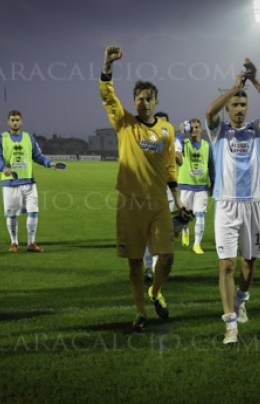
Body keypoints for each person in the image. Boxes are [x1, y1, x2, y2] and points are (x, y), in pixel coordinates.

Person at [100, 46, 185, 331]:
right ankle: (140, 312)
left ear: (156, 100)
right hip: (130, 204)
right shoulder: (124, 123)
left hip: (159, 203)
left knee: (168, 257)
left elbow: (170, 167)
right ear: (134, 102)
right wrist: (108, 65)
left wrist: (178, 199)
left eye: (148, 99)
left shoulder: (167, 130)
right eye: (139, 98)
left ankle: (155, 292)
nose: (144, 103)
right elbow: (107, 96)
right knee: (135, 264)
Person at [205, 58, 260, 345]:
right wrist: (235, 86)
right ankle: (230, 326)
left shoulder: (256, 130)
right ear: (228, 109)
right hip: (226, 205)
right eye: (234, 105)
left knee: (249, 264)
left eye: (242, 105)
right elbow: (209, 111)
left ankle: (242, 299)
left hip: (253, 205)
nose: (238, 109)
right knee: (226, 266)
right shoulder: (218, 131)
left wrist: (256, 81)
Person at [0, 110, 57, 253]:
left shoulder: (29, 138)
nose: (15, 122)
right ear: (8, 122)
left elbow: (37, 156)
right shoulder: (1, 138)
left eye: (17, 120)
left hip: (29, 182)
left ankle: (31, 243)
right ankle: (14, 242)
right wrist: (3, 168)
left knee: (33, 211)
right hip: (10, 184)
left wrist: (48, 163)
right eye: (12, 120)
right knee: (11, 214)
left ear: (21, 121)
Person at [142, 111, 183, 281]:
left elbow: (179, 160)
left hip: (168, 194)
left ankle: (156, 267)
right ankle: (148, 268)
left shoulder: (175, 141)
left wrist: (167, 148)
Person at [178, 117, 214, 254]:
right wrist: (181, 132)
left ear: (201, 129)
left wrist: (213, 182)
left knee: (200, 215)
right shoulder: (184, 143)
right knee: (185, 216)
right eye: (191, 127)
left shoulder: (207, 146)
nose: (194, 129)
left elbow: (212, 166)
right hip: (187, 185)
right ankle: (185, 231)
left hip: (202, 187)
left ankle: (197, 245)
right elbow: (175, 145)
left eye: (197, 127)